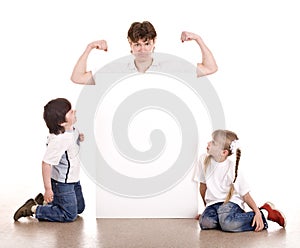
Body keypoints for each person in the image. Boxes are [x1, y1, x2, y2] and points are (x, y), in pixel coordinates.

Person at [193, 129, 286, 232]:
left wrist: (257, 212)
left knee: (227, 224)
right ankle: (227, 219)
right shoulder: (203, 160)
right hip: (214, 204)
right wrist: (207, 210)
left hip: (230, 203)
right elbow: (203, 187)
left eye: (213, 143)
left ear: (224, 152)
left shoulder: (231, 168)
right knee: (205, 223)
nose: (208, 143)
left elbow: (245, 194)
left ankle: (264, 212)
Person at [70, 21, 218, 85]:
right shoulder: (115, 71)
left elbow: (210, 68)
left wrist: (199, 39)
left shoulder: (172, 67)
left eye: (146, 44)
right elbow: (77, 78)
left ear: (154, 42)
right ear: (130, 45)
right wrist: (89, 48)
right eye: (137, 45)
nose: (142, 49)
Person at [13, 98, 85, 222]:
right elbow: (46, 163)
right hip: (63, 183)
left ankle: (46, 204)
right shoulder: (59, 141)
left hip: (73, 179)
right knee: (69, 215)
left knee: (79, 208)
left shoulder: (70, 129)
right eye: (70, 112)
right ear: (62, 123)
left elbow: (72, 140)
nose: (74, 111)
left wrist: (79, 138)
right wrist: (48, 189)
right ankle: (33, 209)